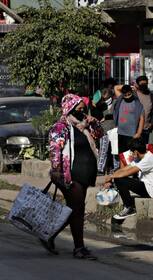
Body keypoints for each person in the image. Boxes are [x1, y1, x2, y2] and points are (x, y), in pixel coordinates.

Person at [48, 93, 103, 260]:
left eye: (83, 108)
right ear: (69, 108)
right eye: (78, 108)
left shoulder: (85, 126)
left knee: (74, 209)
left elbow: (100, 135)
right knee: (77, 209)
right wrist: (56, 170)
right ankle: (79, 248)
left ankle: (50, 234)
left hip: (86, 174)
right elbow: (55, 150)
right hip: (70, 175)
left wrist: (95, 123)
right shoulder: (61, 127)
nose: (82, 111)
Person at [103, 139, 153, 220]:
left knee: (120, 179)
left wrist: (111, 177)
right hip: (147, 187)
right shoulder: (141, 157)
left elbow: (128, 172)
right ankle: (126, 204)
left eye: (131, 152)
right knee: (118, 178)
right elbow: (124, 169)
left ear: (136, 152)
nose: (130, 154)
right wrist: (111, 176)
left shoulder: (148, 159)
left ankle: (129, 207)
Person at [113, 84, 145, 167]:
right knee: (122, 155)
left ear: (132, 92)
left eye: (129, 94)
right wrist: (128, 86)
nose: (127, 97)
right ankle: (122, 173)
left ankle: (133, 174)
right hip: (121, 133)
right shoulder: (120, 99)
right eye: (125, 95)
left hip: (132, 134)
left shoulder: (137, 103)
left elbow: (142, 119)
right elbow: (116, 87)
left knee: (132, 156)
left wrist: (138, 133)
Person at [134, 75, 153, 144]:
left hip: (146, 129)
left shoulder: (150, 95)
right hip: (134, 129)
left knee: (143, 151)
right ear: (137, 85)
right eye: (142, 84)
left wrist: (152, 124)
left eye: (145, 84)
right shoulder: (134, 94)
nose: (144, 86)